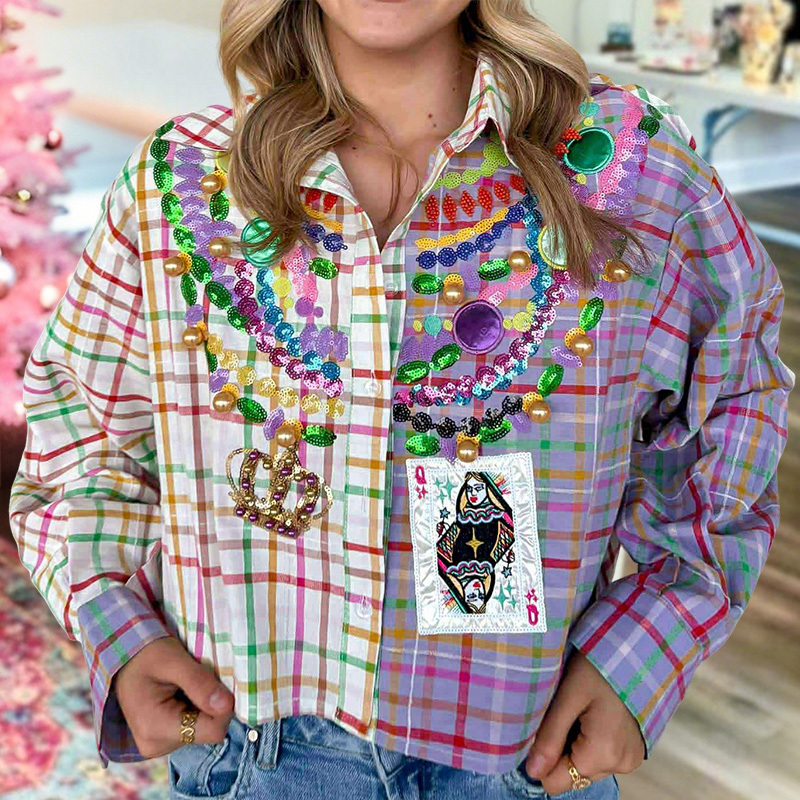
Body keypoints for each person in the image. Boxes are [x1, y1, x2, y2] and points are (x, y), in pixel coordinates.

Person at [8, 0, 795, 798]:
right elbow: (81, 439)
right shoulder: (176, 183)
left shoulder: (628, 168)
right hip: (247, 756)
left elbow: (733, 397)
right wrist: (119, 631)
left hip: (522, 755)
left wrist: (647, 646)